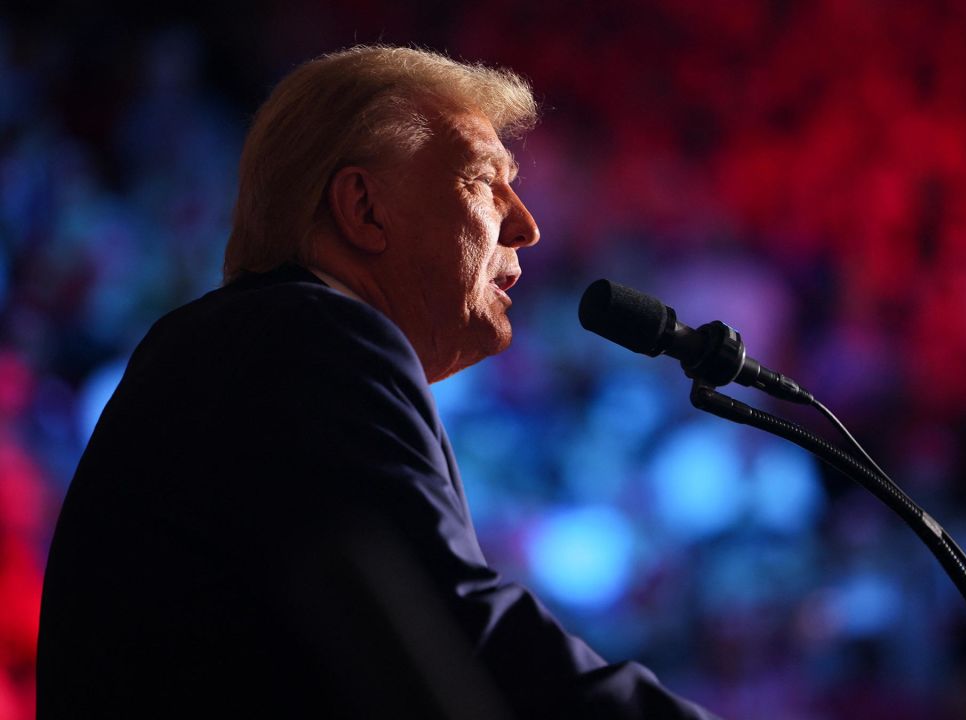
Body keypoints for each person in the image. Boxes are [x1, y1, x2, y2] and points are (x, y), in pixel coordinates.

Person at [36, 45, 719, 719]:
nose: (527, 224)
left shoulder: (254, 342)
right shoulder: (311, 338)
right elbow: (445, 630)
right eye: (485, 181)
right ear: (363, 208)